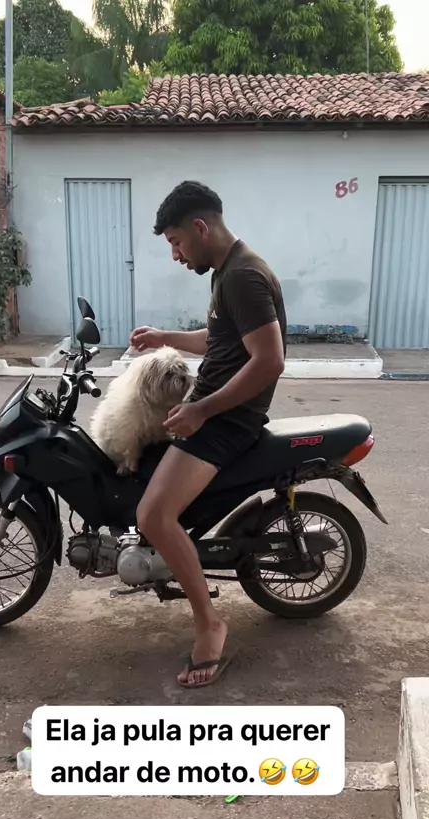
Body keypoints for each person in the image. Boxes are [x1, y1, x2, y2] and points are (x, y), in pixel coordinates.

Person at [132, 181, 287, 688]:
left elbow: (269, 361)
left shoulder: (243, 276)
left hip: (228, 420)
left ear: (200, 228)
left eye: (176, 242)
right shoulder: (226, 271)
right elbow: (219, 340)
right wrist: (164, 337)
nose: (175, 254)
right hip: (212, 407)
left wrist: (201, 410)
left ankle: (210, 624)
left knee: (153, 514)